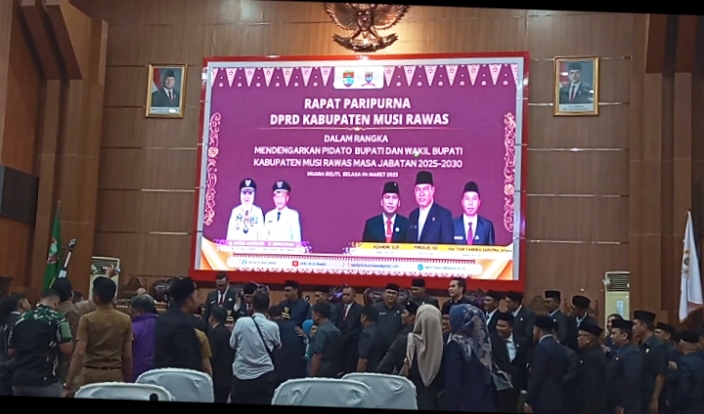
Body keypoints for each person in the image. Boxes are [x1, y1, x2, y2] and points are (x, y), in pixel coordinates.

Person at [64, 277, 132, 392]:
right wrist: (128, 381)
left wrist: (68, 385)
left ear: (96, 297)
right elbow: (128, 355)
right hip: (114, 374)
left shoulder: (87, 319)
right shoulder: (125, 319)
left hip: (91, 375)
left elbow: (79, 353)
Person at [6, 290, 72, 397]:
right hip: (45, 381)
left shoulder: (20, 319)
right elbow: (67, 349)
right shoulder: (59, 318)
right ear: (56, 303)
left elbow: (11, 351)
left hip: (19, 380)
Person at [442, 304, 496, 412]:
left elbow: (453, 383)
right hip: (483, 402)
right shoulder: (484, 342)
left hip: (463, 402)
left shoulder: (456, 344)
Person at [229, 291, 281, 405]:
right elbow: (277, 346)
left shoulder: (241, 322)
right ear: (268, 306)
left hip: (242, 376)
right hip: (265, 376)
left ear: (251, 305)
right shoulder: (273, 326)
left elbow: (232, 344)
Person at [152, 277, 203, 371]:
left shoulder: (162, 318)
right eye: (197, 297)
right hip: (179, 377)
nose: (198, 301)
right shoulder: (183, 326)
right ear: (188, 301)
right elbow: (189, 362)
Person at [400, 304, 443, 410]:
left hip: (405, 398)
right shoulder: (444, 347)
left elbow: (384, 368)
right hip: (432, 402)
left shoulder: (404, 341)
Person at [524, 315, 569, 414]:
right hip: (558, 400)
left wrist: (529, 400)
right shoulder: (560, 348)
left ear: (538, 330)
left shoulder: (541, 348)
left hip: (542, 401)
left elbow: (537, 377)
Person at [490, 311, 529, 413]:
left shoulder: (521, 342)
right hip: (496, 389)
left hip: (514, 390)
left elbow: (523, 365)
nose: (499, 328)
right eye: (498, 325)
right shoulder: (490, 341)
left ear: (511, 328)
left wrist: (524, 388)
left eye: (503, 326)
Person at [632, 310, 668, 414]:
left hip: (650, 394)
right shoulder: (639, 345)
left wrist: (654, 399)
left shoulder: (658, 346)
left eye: (635, 324)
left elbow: (660, 375)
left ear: (644, 326)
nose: (632, 328)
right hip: (639, 394)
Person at [406, 171, 454, 244]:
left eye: (425, 189)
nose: (421, 193)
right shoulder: (413, 215)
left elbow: (447, 246)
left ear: (432, 190)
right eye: (418, 189)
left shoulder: (443, 215)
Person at [607, 319, 642, 414]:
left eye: (614, 333)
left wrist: (622, 404)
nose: (611, 337)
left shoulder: (631, 353)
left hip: (628, 404)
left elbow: (630, 379)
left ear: (624, 335)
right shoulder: (621, 351)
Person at [0, 293, 30, 395]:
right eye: (27, 301)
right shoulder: (22, 322)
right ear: (22, 304)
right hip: (13, 369)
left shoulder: (4, 320)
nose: (30, 304)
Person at [377, 300, 418, 374]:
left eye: (404, 313)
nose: (402, 315)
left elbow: (384, 366)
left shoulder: (403, 336)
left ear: (412, 317)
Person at [268, 305, 305, 385]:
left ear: (268, 315)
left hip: (275, 372)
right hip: (296, 371)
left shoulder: (269, 328)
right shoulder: (295, 327)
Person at [576, 321, 608, 414]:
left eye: (580, 335)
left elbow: (592, 387)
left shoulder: (592, 357)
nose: (577, 338)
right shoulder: (589, 353)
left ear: (588, 339)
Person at [452, 181, 495, 245]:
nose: (470, 203)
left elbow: (491, 249)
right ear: (462, 202)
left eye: (474, 199)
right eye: (467, 199)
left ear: (479, 202)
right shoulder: (452, 225)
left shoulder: (487, 226)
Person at [671, 330, 704, 414]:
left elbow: (683, 389)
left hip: (689, 408)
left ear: (681, 343)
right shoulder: (701, 358)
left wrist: (674, 406)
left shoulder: (685, 362)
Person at [207, 306, 235, 402]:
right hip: (228, 376)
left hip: (216, 376)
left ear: (212, 318)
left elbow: (211, 354)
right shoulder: (229, 333)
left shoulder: (213, 333)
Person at [129, 294, 158, 381]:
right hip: (159, 375)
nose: (131, 315)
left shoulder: (133, 328)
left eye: (132, 312)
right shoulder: (163, 325)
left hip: (136, 376)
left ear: (140, 311)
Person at [335, 286, 363, 374]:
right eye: (343, 295)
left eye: (347, 295)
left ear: (354, 296)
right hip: (338, 343)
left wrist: (349, 336)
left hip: (352, 345)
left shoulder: (360, 309)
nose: (345, 297)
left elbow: (360, 327)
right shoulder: (337, 307)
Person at [310, 303, 342, 377]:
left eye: (313, 315)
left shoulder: (321, 330)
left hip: (321, 372)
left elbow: (318, 356)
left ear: (317, 315)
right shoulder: (337, 330)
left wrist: (312, 376)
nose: (312, 317)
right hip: (335, 372)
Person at [654, 322, 679, 413]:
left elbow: (672, 374)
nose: (655, 335)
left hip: (668, 390)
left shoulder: (672, 350)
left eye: (658, 333)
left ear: (667, 335)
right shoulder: (658, 348)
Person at [371, 283, 404, 354]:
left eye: (394, 293)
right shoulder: (374, 308)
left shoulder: (402, 310)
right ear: (384, 294)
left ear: (398, 296)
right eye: (388, 292)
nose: (391, 295)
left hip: (395, 347)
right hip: (377, 346)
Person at [357, 306, 384, 372]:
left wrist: (358, 375)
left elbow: (363, 361)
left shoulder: (366, 334)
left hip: (369, 373)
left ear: (364, 317)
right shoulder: (381, 331)